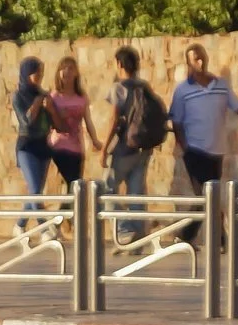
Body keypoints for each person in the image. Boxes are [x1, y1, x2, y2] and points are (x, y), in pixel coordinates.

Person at [172, 43, 238, 199]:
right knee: (203, 194)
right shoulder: (183, 90)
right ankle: (204, 214)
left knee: (211, 196)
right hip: (195, 150)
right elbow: (177, 121)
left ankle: (203, 215)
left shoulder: (221, 85)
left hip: (216, 152)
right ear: (189, 63)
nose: (200, 62)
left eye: (202, 58)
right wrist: (185, 147)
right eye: (196, 60)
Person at [104, 47, 165, 243]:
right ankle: (137, 239)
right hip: (144, 148)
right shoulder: (144, 86)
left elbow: (114, 120)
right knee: (136, 192)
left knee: (106, 189)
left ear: (119, 64)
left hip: (125, 148)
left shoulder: (118, 88)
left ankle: (124, 229)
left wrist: (104, 148)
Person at [45, 56, 99, 192]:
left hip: (77, 148)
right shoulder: (54, 97)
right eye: (63, 68)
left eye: (70, 68)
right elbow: (48, 122)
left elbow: (88, 121)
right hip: (59, 147)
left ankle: (67, 206)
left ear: (76, 73)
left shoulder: (81, 97)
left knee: (75, 187)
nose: (66, 72)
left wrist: (95, 140)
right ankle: (68, 206)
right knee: (73, 184)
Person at [11, 58, 54, 199]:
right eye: (36, 72)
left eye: (41, 72)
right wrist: (36, 103)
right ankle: (40, 214)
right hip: (27, 146)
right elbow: (26, 121)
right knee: (35, 191)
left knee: (36, 192)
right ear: (27, 74)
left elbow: (53, 123)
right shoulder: (18, 96)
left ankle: (25, 215)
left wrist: (51, 108)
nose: (40, 76)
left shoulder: (43, 95)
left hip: (43, 146)